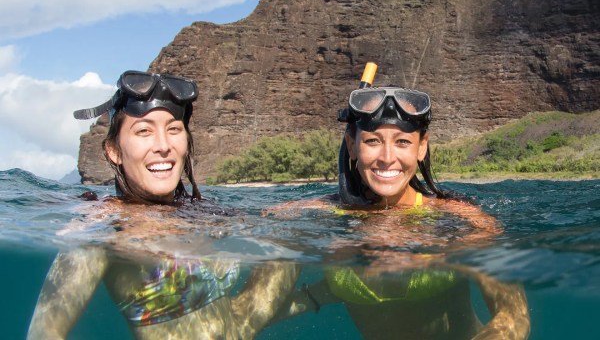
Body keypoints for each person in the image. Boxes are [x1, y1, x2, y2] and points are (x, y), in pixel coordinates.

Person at [28, 70, 297, 340]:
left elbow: (279, 255)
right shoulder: (102, 226)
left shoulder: (205, 212)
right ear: (114, 150)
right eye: (144, 131)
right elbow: (44, 333)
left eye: (173, 129)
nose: (163, 145)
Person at [271, 65, 530, 339]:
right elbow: (292, 286)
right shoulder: (313, 215)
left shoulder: (463, 218)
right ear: (352, 146)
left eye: (403, 142)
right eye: (372, 140)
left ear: (421, 147)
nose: (387, 157)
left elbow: (513, 317)